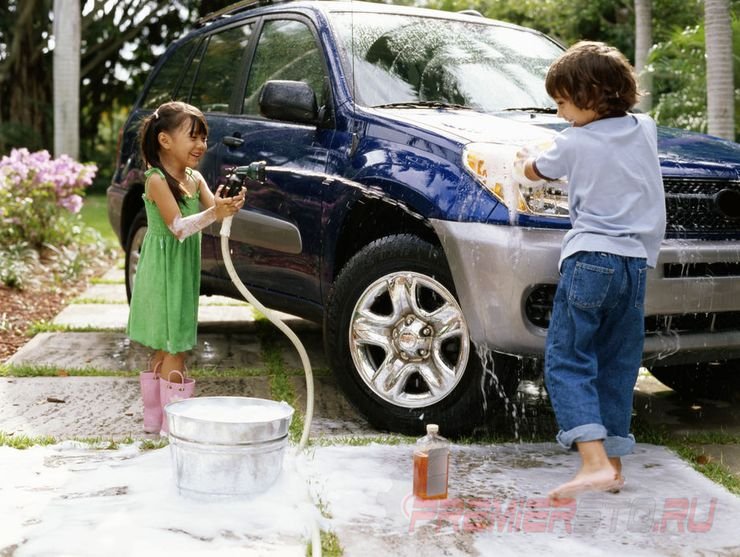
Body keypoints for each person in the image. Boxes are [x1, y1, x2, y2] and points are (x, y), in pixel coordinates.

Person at [513, 41, 666, 499]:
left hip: (590, 261)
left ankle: (594, 461)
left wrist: (524, 161)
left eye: (562, 103)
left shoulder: (573, 141)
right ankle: (614, 467)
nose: (560, 114)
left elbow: (536, 170)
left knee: (569, 359)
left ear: (592, 95)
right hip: (634, 265)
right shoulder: (645, 128)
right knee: (617, 365)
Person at [127, 101, 245, 433]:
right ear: (165, 140)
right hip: (163, 270)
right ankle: (171, 427)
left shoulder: (195, 178)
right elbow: (178, 227)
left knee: (169, 344)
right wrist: (214, 214)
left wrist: (229, 205)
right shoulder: (156, 180)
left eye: (204, 138)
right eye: (192, 137)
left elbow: (215, 210)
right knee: (174, 345)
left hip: (181, 270)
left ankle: (155, 421)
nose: (201, 145)